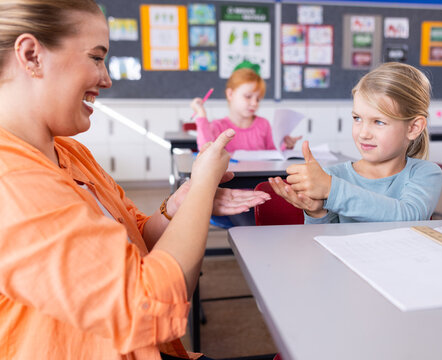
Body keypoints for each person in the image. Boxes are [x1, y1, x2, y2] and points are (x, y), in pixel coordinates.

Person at [0, 1, 270, 359]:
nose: (107, 78)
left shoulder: (69, 152)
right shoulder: (12, 182)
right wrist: (203, 187)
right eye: (96, 58)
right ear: (32, 55)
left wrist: (180, 206)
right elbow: (146, 306)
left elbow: (135, 237)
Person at [269, 62, 442, 223]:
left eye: (379, 122)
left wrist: (332, 190)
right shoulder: (332, 176)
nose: (363, 133)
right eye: (357, 118)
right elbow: (324, 240)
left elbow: (408, 216)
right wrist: (317, 213)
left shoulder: (426, 173)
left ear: (413, 128)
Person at [190, 62, 301, 153]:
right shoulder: (218, 126)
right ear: (230, 94)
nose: (254, 103)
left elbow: (274, 153)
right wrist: (201, 114)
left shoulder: (263, 124)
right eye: (248, 97)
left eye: (258, 99)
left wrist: (286, 146)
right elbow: (206, 151)